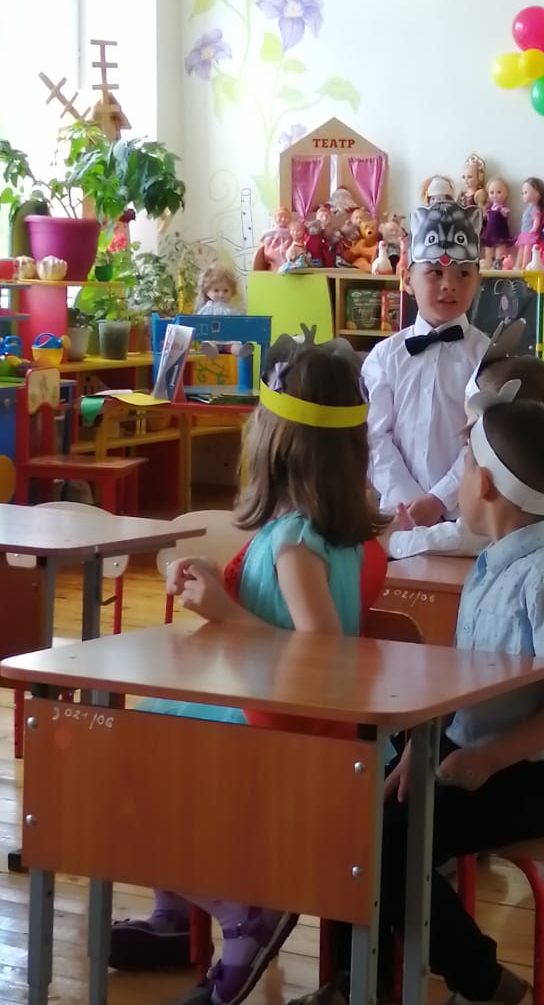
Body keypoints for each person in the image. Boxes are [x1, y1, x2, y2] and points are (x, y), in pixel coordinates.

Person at [290, 398, 544, 1005]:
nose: (457, 480)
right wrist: (417, 750)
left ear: (483, 485)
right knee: (352, 811)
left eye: (464, 466)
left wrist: (488, 759)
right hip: (463, 753)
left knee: (390, 843)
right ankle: (361, 981)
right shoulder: (490, 564)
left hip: (531, 778)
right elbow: (462, 686)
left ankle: (480, 980)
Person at [109, 341, 390, 1005]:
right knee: (148, 737)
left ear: (275, 444)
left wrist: (226, 613)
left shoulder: (294, 543)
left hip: (276, 730)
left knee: (126, 772)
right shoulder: (335, 536)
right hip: (285, 722)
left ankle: (241, 918)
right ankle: (176, 918)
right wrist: (223, 590)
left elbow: (322, 653)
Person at [361, 199, 490, 527]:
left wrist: (439, 499)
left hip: (465, 518)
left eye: (463, 273)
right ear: (407, 278)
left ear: (478, 280)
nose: (449, 284)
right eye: (435, 272)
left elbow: (484, 437)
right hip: (398, 516)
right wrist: (409, 501)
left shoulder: (488, 356)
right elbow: (374, 436)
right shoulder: (383, 358)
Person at [386, 353, 544, 559]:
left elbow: (463, 538)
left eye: (471, 426)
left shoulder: (514, 498)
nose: (466, 437)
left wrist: (396, 540)